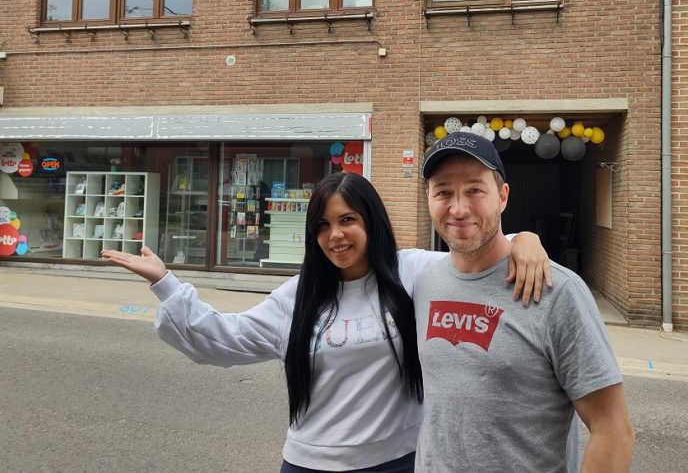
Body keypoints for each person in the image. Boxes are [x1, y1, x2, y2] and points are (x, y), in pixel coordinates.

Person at [102, 171, 550, 472]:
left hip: (399, 460)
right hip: (309, 465)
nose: (335, 236)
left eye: (348, 220)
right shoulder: (297, 297)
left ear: (371, 222)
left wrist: (525, 239)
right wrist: (165, 283)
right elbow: (223, 339)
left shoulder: (413, 272)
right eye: (322, 225)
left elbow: (475, 257)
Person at [415, 132, 635, 472]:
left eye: (475, 190)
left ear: (502, 196)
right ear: (428, 199)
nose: (458, 208)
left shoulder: (557, 291)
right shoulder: (425, 283)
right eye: (444, 192)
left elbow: (614, 429)